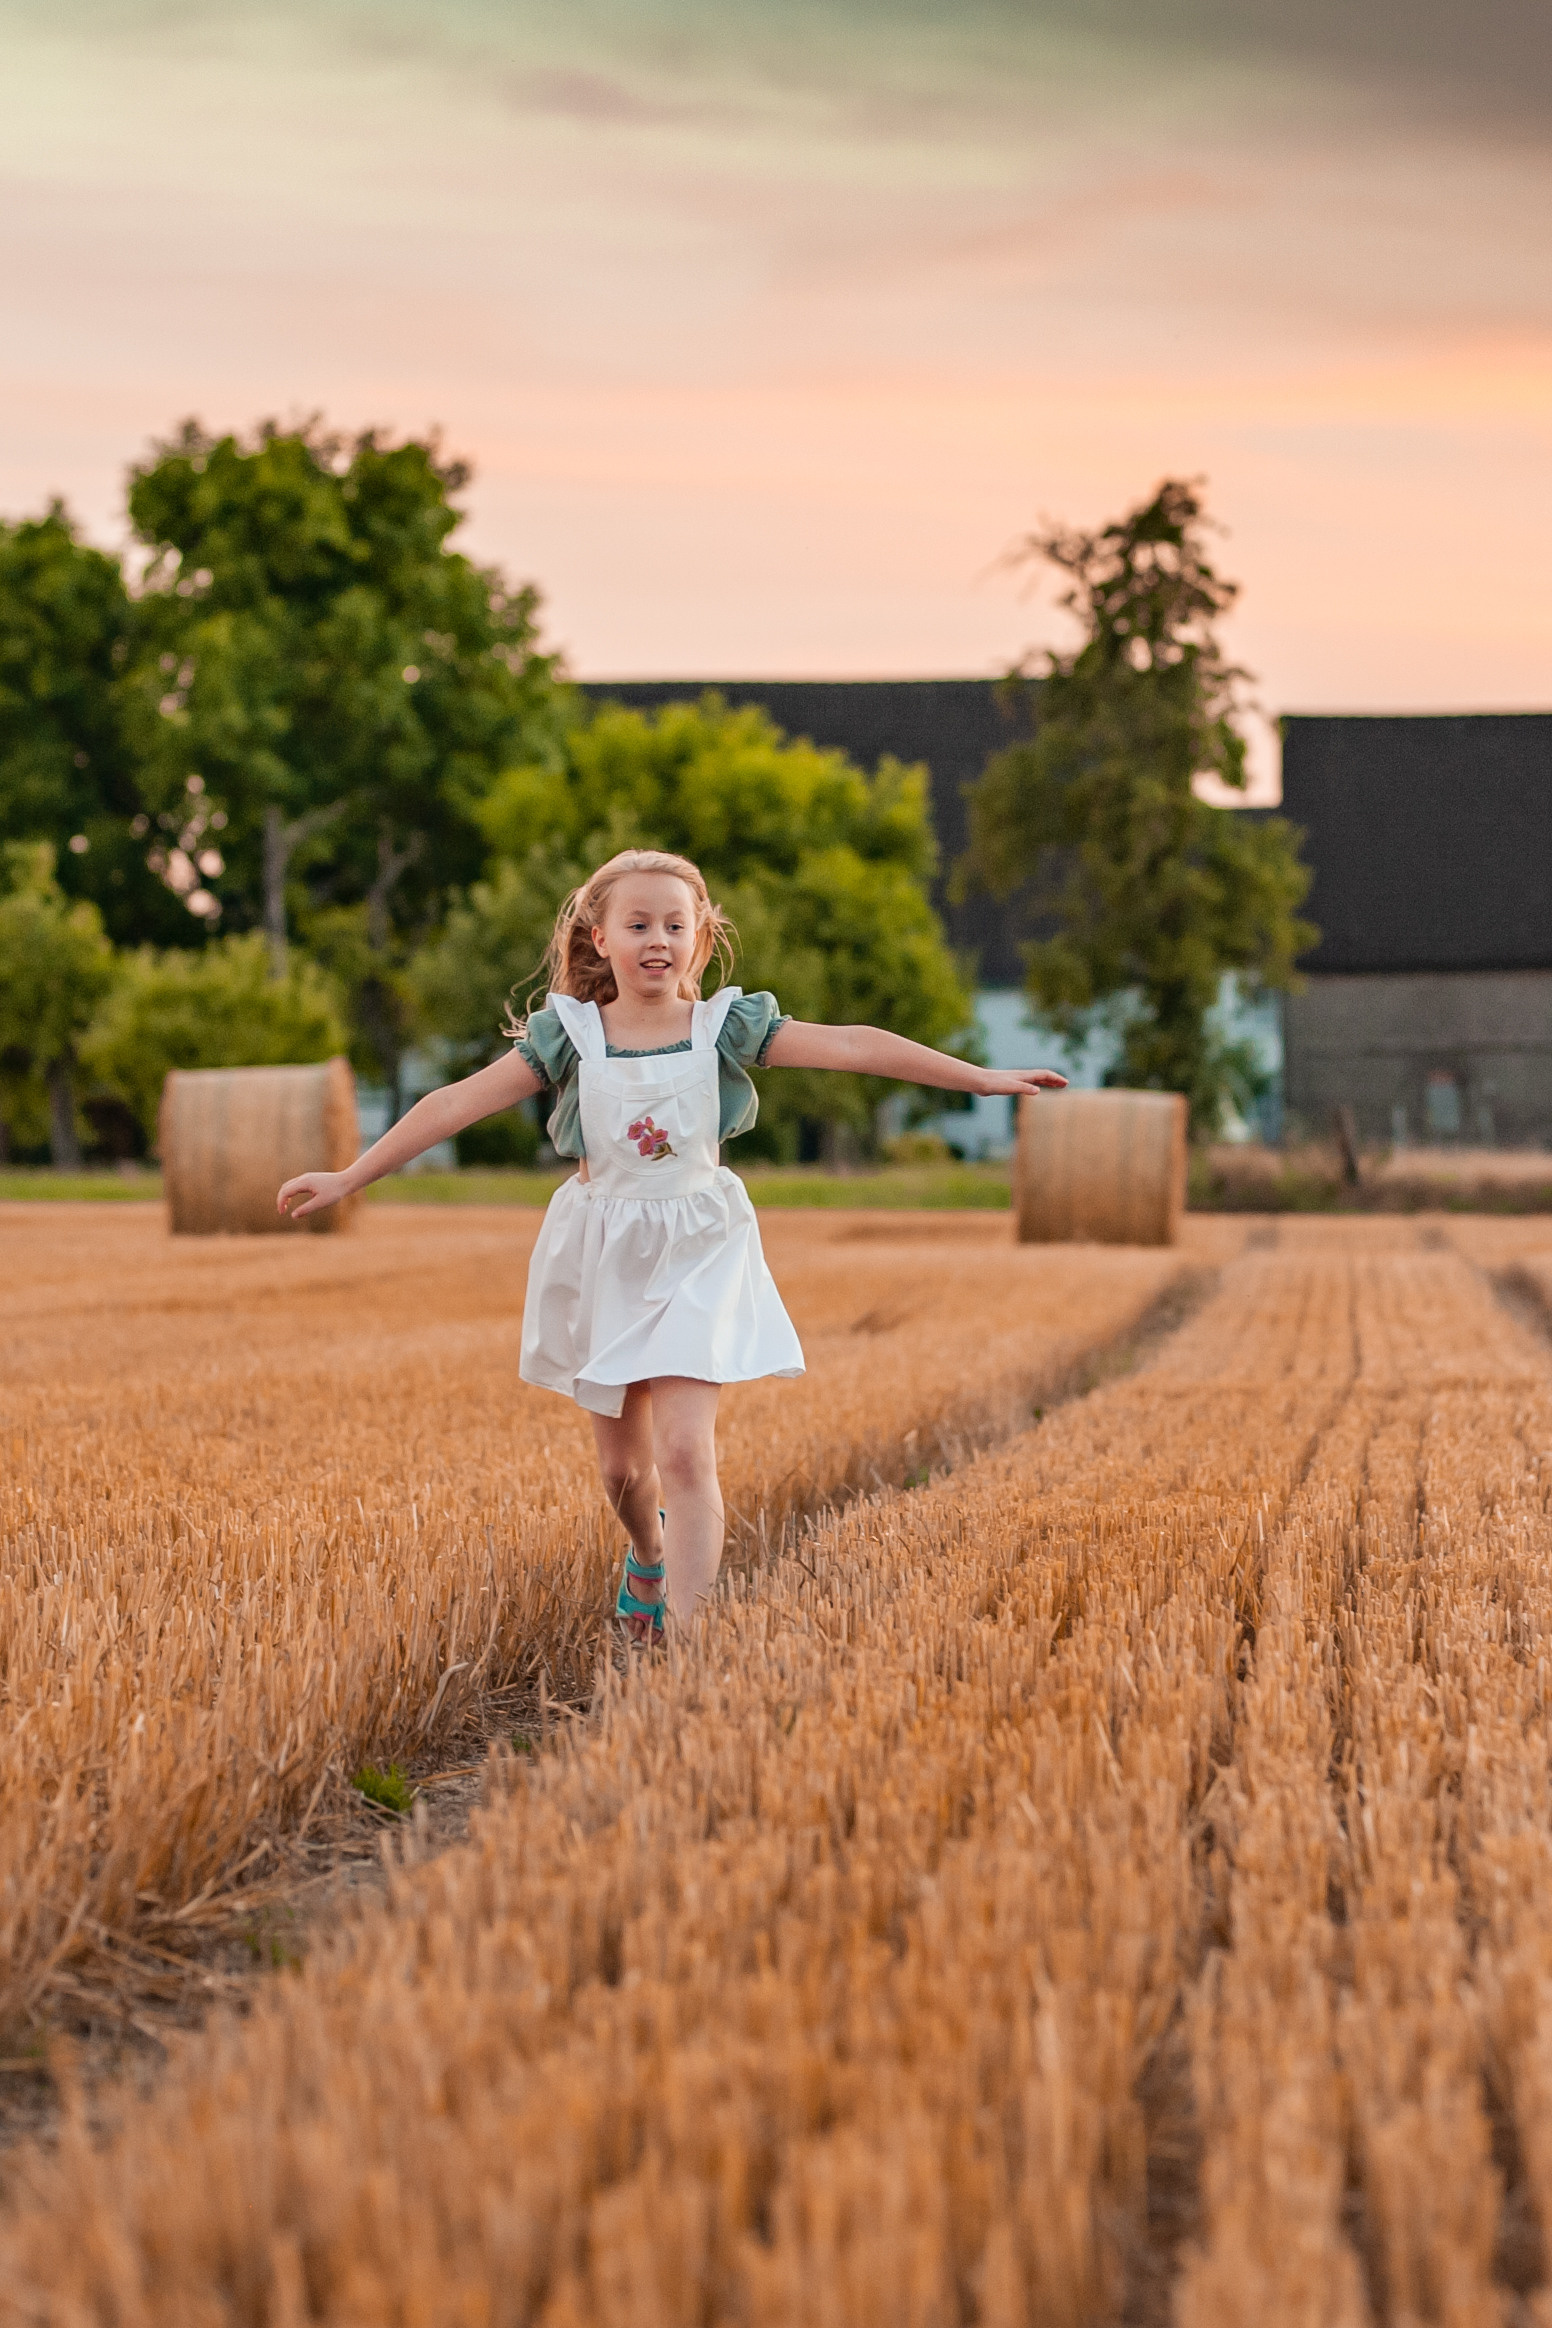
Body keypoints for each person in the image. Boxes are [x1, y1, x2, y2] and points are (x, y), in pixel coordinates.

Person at [278, 847, 1066, 1636]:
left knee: (686, 1453)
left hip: (699, 1245)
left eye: (675, 924)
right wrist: (351, 1175)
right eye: (638, 923)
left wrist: (983, 1079)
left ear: (700, 937)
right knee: (623, 1472)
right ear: (599, 938)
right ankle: (647, 1556)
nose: (658, 938)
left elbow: (856, 1045)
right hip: (604, 1251)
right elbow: (453, 1104)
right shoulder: (571, 1037)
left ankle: (686, 1639)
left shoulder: (725, 1028)